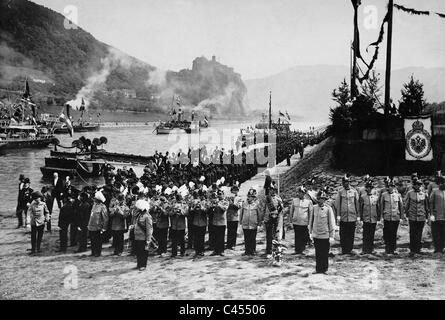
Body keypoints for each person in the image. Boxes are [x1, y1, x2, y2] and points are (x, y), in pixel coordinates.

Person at [309, 190, 336, 274]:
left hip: (325, 234)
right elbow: (311, 221)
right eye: (320, 198)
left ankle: (325, 269)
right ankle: (318, 269)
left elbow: (331, 223)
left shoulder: (328, 209)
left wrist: (332, 236)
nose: (321, 200)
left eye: (323, 199)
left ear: (325, 200)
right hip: (316, 234)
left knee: (324, 253)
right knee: (318, 252)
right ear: (317, 199)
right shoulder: (314, 208)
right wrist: (310, 233)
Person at [334, 175, 359, 255]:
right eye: (344, 182)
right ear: (342, 183)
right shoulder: (340, 192)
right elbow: (337, 204)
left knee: (351, 234)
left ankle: (350, 249)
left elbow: (357, 204)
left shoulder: (354, 191)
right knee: (343, 234)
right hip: (343, 217)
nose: (346, 183)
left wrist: (358, 216)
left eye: (347, 182)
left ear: (349, 182)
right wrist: (338, 216)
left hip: (352, 216)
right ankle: (344, 249)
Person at [405, 179, 429, 256]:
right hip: (412, 216)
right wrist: (407, 214)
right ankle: (412, 250)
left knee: (419, 233)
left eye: (419, 185)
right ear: (414, 185)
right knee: (412, 233)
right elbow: (406, 204)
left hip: (421, 216)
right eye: (416, 184)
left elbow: (426, 206)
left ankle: (418, 249)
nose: (418, 186)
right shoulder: (409, 193)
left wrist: (427, 216)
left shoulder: (424, 194)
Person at [380, 179, 405, 255]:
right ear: (387, 187)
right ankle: (387, 249)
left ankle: (393, 249)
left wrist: (401, 217)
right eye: (389, 186)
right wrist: (381, 217)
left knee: (394, 233)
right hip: (387, 217)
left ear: (394, 187)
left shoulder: (398, 195)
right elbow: (381, 206)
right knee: (387, 233)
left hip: (395, 217)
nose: (391, 188)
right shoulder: (384, 195)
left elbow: (401, 207)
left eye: (392, 186)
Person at [289, 186, 313, 255]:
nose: (300, 194)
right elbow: (291, 211)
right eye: (299, 192)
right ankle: (297, 250)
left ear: (304, 193)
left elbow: (310, 213)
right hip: (296, 222)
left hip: (304, 222)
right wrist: (290, 221)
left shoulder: (308, 202)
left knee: (303, 236)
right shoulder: (294, 200)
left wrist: (309, 223)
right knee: (297, 236)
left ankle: (302, 249)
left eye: (302, 193)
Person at [359, 180, 380, 255]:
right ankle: (364, 249)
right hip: (366, 218)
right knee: (365, 234)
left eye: (370, 187)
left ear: (372, 188)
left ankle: (371, 249)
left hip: (373, 218)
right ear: (366, 189)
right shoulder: (363, 197)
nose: (369, 189)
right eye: (367, 188)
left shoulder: (376, 198)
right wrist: (360, 218)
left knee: (372, 234)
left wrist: (378, 218)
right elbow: (360, 208)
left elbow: (378, 208)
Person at [262, 185, 283, 258]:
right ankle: (268, 251)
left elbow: (281, 209)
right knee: (269, 236)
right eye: (270, 189)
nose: (272, 191)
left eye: (273, 189)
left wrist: (279, 218)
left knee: (276, 236)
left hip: (276, 219)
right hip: (268, 219)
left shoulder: (278, 198)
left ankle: (276, 251)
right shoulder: (267, 198)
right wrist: (263, 219)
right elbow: (263, 209)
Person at [239, 188, 261, 256]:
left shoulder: (256, 205)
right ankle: (247, 251)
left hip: (253, 224)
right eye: (248, 196)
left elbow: (259, 215)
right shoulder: (244, 204)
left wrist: (259, 224)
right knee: (246, 238)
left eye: (250, 197)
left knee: (253, 238)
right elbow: (241, 214)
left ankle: (253, 251)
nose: (248, 198)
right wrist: (240, 223)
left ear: (253, 198)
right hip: (245, 224)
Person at [132, 199, 153, 271]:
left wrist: (148, 239)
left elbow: (149, 229)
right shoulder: (139, 216)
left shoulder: (147, 216)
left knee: (143, 252)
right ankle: (139, 264)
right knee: (138, 251)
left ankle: (143, 265)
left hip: (143, 237)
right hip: (137, 236)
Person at [87, 191, 108, 257]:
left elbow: (105, 218)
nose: (94, 199)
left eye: (95, 199)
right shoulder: (94, 205)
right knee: (92, 240)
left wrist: (104, 227)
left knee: (98, 241)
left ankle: (98, 252)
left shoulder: (102, 207)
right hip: (92, 226)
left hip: (98, 226)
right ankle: (93, 252)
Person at [210, 189, 229, 256]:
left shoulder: (225, 201)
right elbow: (211, 209)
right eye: (218, 194)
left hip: (222, 221)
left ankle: (221, 250)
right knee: (215, 237)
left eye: (220, 194)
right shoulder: (215, 201)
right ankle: (215, 250)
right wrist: (212, 205)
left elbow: (224, 209)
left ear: (223, 195)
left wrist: (218, 204)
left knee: (221, 237)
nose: (219, 195)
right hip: (215, 221)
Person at [429, 176, 445, 253]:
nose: (443, 184)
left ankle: (442, 248)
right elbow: (431, 203)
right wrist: (431, 214)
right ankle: (437, 248)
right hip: (437, 216)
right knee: (436, 233)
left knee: (443, 233)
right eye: (442, 183)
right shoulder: (435, 192)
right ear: (439, 184)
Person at [190, 191, 208, 258]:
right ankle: (197, 251)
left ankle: (201, 251)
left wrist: (201, 207)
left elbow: (207, 211)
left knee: (201, 238)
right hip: (195, 222)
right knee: (196, 238)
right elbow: (190, 211)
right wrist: (194, 208)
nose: (199, 196)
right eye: (198, 195)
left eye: (200, 195)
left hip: (202, 222)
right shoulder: (194, 202)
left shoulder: (205, 202)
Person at [226, 185, 242, 250]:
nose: (234, 192)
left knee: (234, 231)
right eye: (233, 190)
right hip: (229, 216)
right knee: (229, 231)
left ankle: (233, 244)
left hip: (235, 217)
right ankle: (229, 244)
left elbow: (239, 207)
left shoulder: (239, 198)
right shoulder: (228, 198)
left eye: (236, 190)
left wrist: (233, 203)